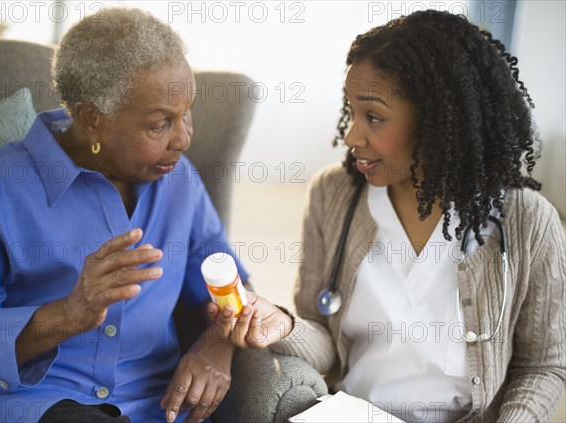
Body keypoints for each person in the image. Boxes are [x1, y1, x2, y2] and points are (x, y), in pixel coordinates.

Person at [210, 9, 566, 423]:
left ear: (436, 122)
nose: (351, 135)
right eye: (352, 111)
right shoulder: (334, 195)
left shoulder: (526, 220)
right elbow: (322, 335)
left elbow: (543, 366)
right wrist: (284, 324)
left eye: (374, 117)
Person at [0, 7, 249, 423]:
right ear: (91, 119)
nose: (184, 138)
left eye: (186, 112)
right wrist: (67, 315)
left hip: (155, 407)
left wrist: (217, 344)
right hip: (34, 403)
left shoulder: (179, 181)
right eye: (160, 124)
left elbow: (226, 285)